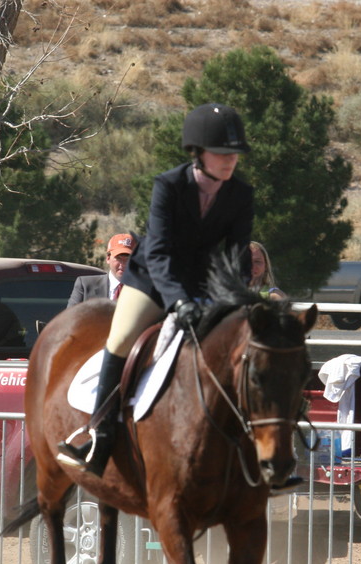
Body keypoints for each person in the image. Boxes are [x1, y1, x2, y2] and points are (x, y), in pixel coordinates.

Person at [57, 102, 263, 477]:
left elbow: (235, 258)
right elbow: (162, 252)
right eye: (222, 153)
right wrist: (178, 301)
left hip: (207, 285)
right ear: (197, 153)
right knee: (121, 339)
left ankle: (263, 450)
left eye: (235, 153)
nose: (230, 160)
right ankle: (98, 435)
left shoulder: (241, 194)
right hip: (154, 281)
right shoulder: (169, 185)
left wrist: (238, 301)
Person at [67, 233, 137, 307]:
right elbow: (70, 317)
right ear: (108, 258)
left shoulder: (144, 291)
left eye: (128, 259)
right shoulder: (85, 285)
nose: (123, 264)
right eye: (118, 258)